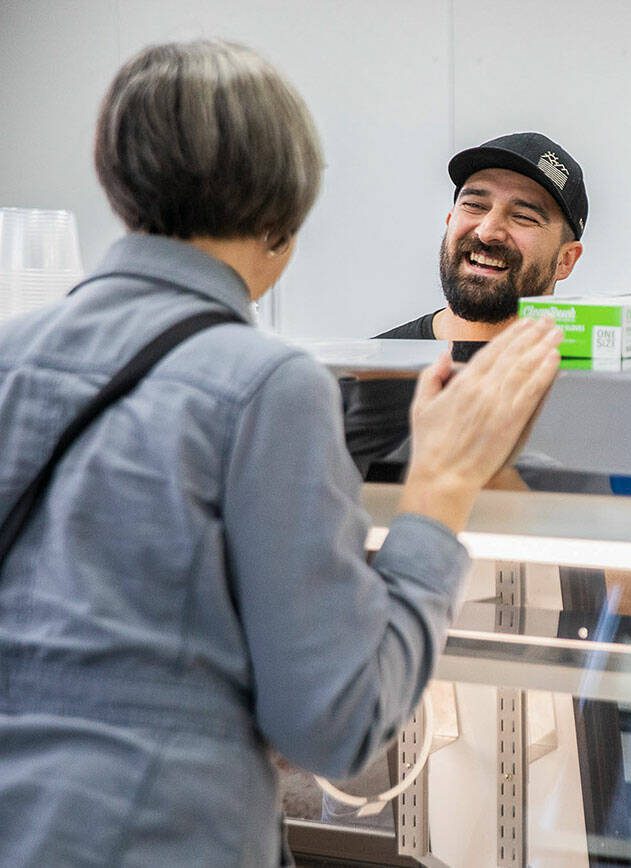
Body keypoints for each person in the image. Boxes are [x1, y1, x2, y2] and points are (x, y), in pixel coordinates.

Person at [0, 40, 561, 865]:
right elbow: (335, 721)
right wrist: (440, 490)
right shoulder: (268, 386)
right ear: (284, 215)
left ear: (120, 180)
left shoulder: (13, 355)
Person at [344, 132, 587, 477]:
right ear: (449, 223)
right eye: (474, 205)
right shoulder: (377, 373)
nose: (488, 231)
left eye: (524, 216)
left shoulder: (585, 384)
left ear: (566, 260)